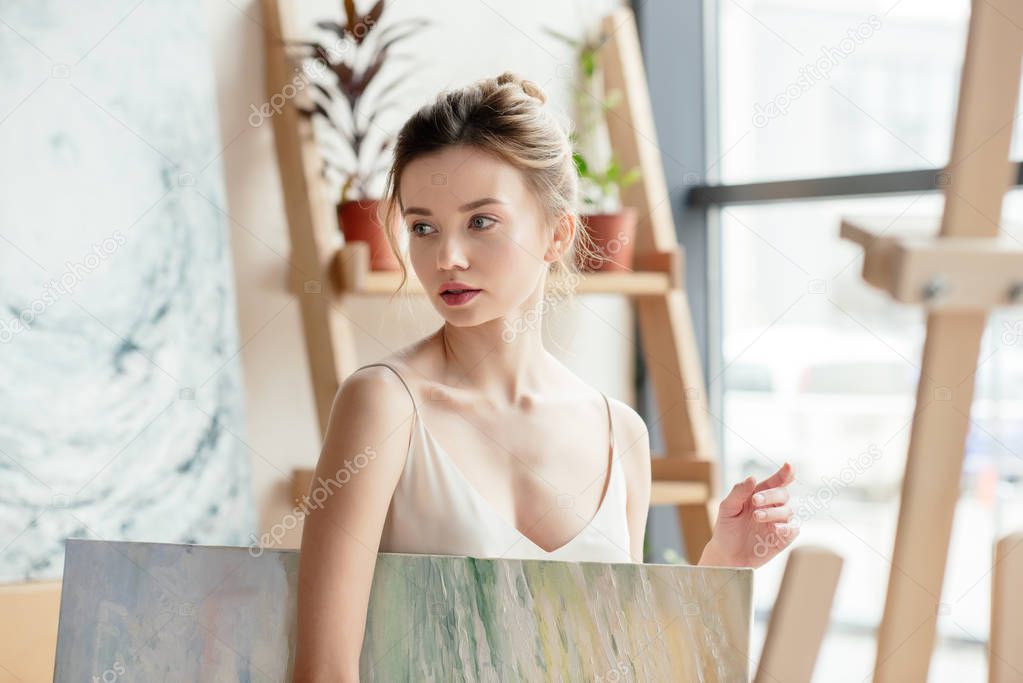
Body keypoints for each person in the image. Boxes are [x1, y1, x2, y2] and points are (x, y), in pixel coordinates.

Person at [291, 71, 798, 682]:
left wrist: (722, 564)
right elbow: (321, 672)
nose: (447, 256)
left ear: (557, 232)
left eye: (481, 222)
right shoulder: (383, 405)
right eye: (423, 227)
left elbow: (622, 667)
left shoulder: (621, 436)